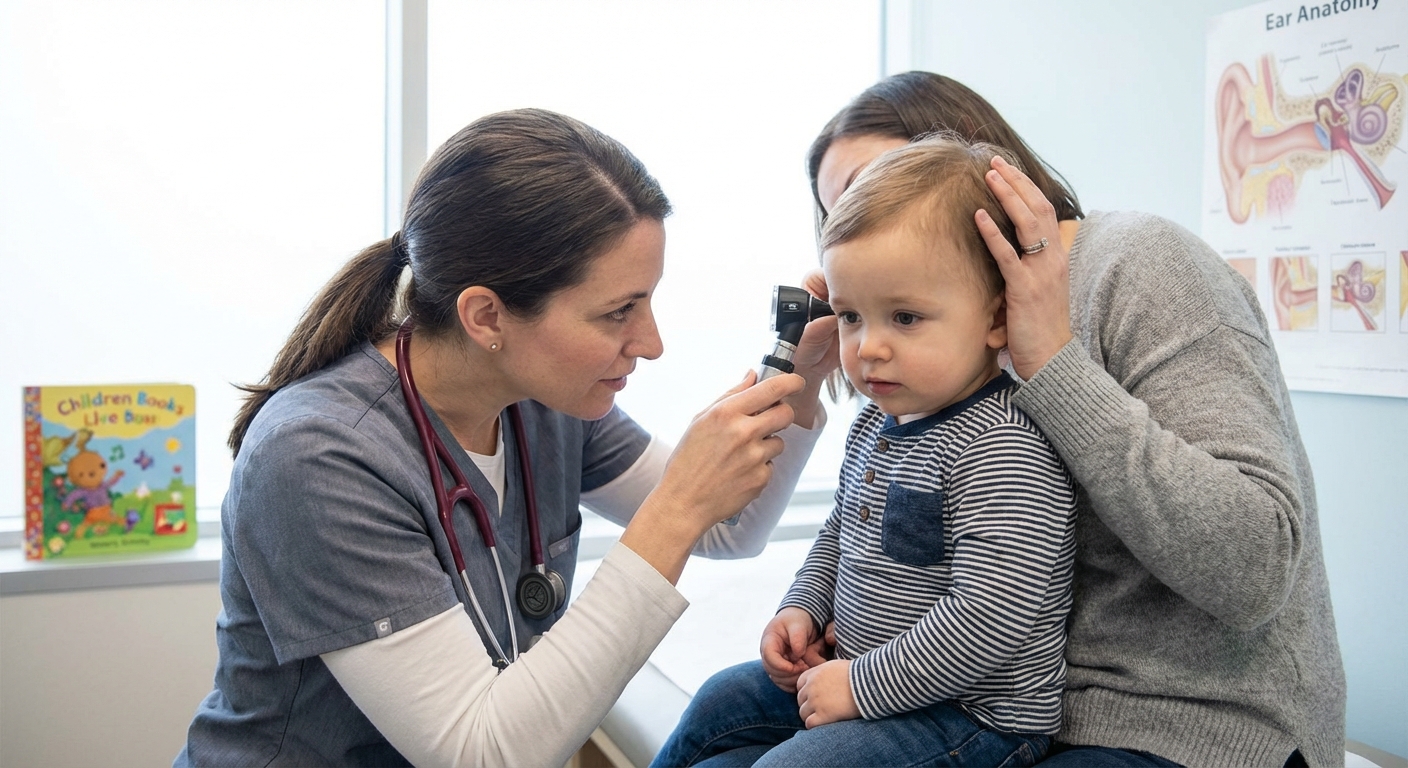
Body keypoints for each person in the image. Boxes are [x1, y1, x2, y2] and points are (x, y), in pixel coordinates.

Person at [175, 108, 839, 768]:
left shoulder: (543, 400)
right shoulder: (318, 456)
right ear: (486, 315)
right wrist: (679, 505)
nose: (652, 344)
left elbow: (731, 527)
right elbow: (482, 752)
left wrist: (803, 377)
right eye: (617, 312)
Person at [790, 71, 1345, 768]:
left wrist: (1052, 363)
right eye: (837, 214)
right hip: (981, 693)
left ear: (973, 169)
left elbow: (1255, 568)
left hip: (1187, 720)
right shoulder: (905, 361)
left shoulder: (1142, 265)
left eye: (882, 185)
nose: (866, 226)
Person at [652, 136, 1079, 768]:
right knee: (720, 703)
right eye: (852, 317)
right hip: (860, 675)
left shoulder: (1004, 445)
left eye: (904, 318)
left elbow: (990, 617)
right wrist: (802, 606)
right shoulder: (881, 422)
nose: (869, 348)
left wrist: (859, 686)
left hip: (970, 715)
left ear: (997, 320)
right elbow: (841, 534)